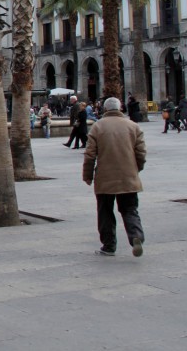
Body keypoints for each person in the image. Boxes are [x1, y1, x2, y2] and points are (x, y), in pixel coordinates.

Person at [82, 97, 146, 257]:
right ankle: (136, 236)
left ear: (104, 109)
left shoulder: (98, 127)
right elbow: (141, 153)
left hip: (105, 177)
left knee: (105, 212)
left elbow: (90, 155)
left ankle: (109, 246)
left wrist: (88, 175)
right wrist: (136, 168)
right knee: (130, 209)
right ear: (120, 108)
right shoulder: (133, 126)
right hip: (128, 176)